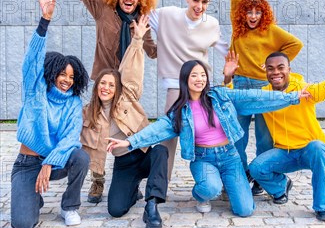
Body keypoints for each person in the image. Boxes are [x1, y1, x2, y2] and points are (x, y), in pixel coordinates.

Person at [107, 56, 309, 217]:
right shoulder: (180, 110)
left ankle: (226, 185)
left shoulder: (220, 96)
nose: (199, 79)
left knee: (245, 210)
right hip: (203, 158)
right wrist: (129, 142)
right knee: (210, 188)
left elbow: (255, 97)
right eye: (194, 75)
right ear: (185, 79)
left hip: (230, 157)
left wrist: (292, 97)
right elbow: (157, 129)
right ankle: (201, 195)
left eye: (202, 75)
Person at [62, 0, 158, 203]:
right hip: (104, 81)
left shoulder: (141, 22)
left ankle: (130, 174)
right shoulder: (102, 10)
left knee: (129, 128)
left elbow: (152, 52)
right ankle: (97, 179)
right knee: (98, 129)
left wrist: (146, 36)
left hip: (126, 86)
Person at [249, 50, 325, 221]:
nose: (276, 72)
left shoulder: (303, 89)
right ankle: (281, 187)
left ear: (289, 69)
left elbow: (324, 89)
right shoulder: (265, 95)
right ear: (265, 71)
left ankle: (321, 207)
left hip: (309, 150)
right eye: (270, 68)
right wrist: (228, 78)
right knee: (256, 167)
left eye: (281, 67)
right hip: (284, 153)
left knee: (318, 147)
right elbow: (239, 99)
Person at [11, 0, 90, 228]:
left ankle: (69, 206)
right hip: (27, 163)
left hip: (53, 163)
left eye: (71, 76)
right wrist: (45, 20)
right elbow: (31, 60)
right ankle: (33, 198)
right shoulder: (36, 91)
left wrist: (49, 163)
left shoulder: (73, 103)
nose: (66, 80)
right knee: (23, 225)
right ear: (51, 74)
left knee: (81, 157)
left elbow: (69, 138)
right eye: (61, 74)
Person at [82, 15, 168, 228]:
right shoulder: (89, 113)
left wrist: (138, 39)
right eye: (103, 83)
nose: (106, 88)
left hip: (144, 153)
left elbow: (131, 67)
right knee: (116, 209)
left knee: (161, 152)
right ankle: (132, 190)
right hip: (124, 163)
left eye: (111, 84)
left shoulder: (127, 95)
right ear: (97, 87)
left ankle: (152, 205)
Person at [228, 0, 303, 194]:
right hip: (239, 86)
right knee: (237, 137)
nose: (252, 16)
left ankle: (262, 177)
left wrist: (272, 62)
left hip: (263, 87)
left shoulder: (269, 31)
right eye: (248, 12)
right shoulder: (237, 27)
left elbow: (295, 43)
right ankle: (238, 178)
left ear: (263, 14)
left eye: (257, 12)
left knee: (264, 138)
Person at [149, 0, 229, 179]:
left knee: (211, 132)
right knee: (168, 134)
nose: (199, 6)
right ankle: (161, 183)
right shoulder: (166, 15)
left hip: (201, 86)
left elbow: (228, 52)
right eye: (195, 0)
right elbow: (138, 14)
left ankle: (215, 181)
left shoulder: (211, 24)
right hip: (175, 84)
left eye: (204, 2)